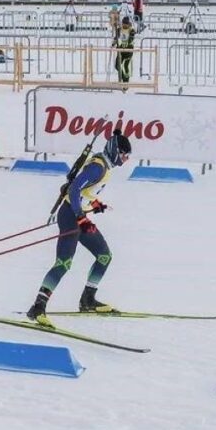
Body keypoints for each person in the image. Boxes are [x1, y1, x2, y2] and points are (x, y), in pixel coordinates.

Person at [26, 131, 132, 326]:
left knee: (104, 256)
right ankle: (38, 307)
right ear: (116, 151)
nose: (125, 160)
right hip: (70, 216)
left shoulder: (105, 166)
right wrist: (80, 217)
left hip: (79, 216)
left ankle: (88, 300)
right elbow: (74, 189)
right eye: (125, 155)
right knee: (63, 264)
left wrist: (95, 204)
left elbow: (84, 192)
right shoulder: (97, 168)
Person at [113, 16, 136, 84]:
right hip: (121, 49)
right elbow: (116, 37)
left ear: (128, 24)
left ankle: (126, 80)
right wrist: (114, 43)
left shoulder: (131, 30)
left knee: (125, 66)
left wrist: (126, 45)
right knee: (117, 66)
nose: (124, 25)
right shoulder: (120, 29)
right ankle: (123, 78)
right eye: (123, 24)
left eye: (126, 24)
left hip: (129, 49)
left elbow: (131, 39)